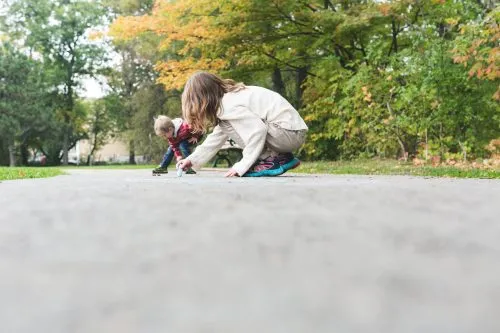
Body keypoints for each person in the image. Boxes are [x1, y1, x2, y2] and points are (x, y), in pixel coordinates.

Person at [176, 72, 308, 177]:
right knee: (223, 125)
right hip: (290, 133)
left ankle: (270, 159)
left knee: (225, 125)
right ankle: (280, 157)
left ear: (202, 100)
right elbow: (217, 137)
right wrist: (192, 160)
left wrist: (243, 165)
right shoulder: (230, 99)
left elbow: (257, 130)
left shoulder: (227, 105)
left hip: (286, 133)